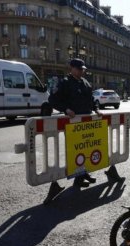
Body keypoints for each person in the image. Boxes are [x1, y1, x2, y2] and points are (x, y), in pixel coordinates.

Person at [49, 58, 102, 188]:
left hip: (86, 123)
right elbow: (53, 100)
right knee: (76, 150)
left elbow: (91, 99)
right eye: (79, 69)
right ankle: (77, 179)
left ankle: (84, 173)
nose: (81, 71)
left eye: (82, 69)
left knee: (86, 149)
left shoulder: (85, 82)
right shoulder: (65, 83)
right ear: (71, 68)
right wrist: (66, 109)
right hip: (73, 124)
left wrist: (96, 109)